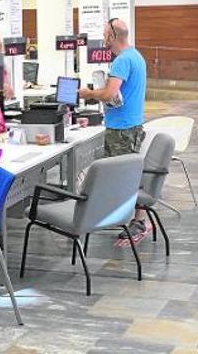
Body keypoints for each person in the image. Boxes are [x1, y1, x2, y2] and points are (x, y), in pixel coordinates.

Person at [78, 18, 147, 240]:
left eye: (105, 34)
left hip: (121, 129)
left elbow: (109, 94)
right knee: (130, 173)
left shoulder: (121, 61)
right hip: (132, 124)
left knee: (122, 176)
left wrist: (88, 93)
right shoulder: (136, 56)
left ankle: (135, 221)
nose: (103, 38)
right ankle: (134, 218)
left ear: (111, 37)